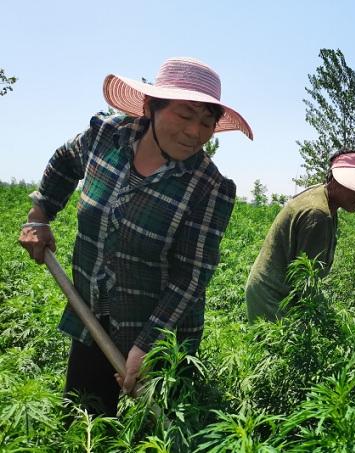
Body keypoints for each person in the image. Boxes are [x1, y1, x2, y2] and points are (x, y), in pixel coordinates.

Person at [18, 57, 253, 416]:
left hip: (161, 334)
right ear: (150, 107)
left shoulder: (209, 187)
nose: (196, 132)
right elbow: (65, 160)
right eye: (186, 115)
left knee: (150, 431)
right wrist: (40, 215)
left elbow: (191, 276)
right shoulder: (105, 137)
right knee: (85, 421)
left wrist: (147, 346)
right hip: (93, 316)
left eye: (208, 122)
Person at [246, 150, 355, 322]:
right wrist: (326, 320)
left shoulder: (324, 200)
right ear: (339, 181)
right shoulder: (318, 214)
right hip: (274, 295)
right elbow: (305, 282)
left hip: (273, 289)